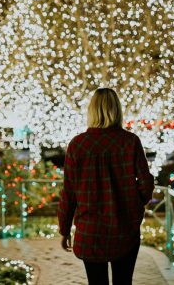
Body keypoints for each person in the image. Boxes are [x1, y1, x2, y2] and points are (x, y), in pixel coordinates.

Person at [58, 88, 155, 285]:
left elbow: (69, 192)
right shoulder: (130, 142)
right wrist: (135, 204)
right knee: (123, 281)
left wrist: (65, 228)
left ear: (92, 110)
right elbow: (146, 183)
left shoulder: (77, 145)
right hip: (125, 228)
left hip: (90, 231)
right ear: (117, 110)